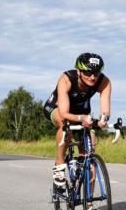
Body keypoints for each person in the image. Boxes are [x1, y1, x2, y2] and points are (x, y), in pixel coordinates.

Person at [43, 53, 113, 193]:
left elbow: (105, 109)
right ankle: (59, 164)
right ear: (79, 71)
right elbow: (64, 113)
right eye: (88, 72)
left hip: (82, 109)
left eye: (96, 72)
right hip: (57, 108)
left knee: (90, 158)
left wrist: (103, 120)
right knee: (65, 124)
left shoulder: (104, 82)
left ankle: (89, 205)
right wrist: (82, 119)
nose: (92, 77)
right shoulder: (66, 79)